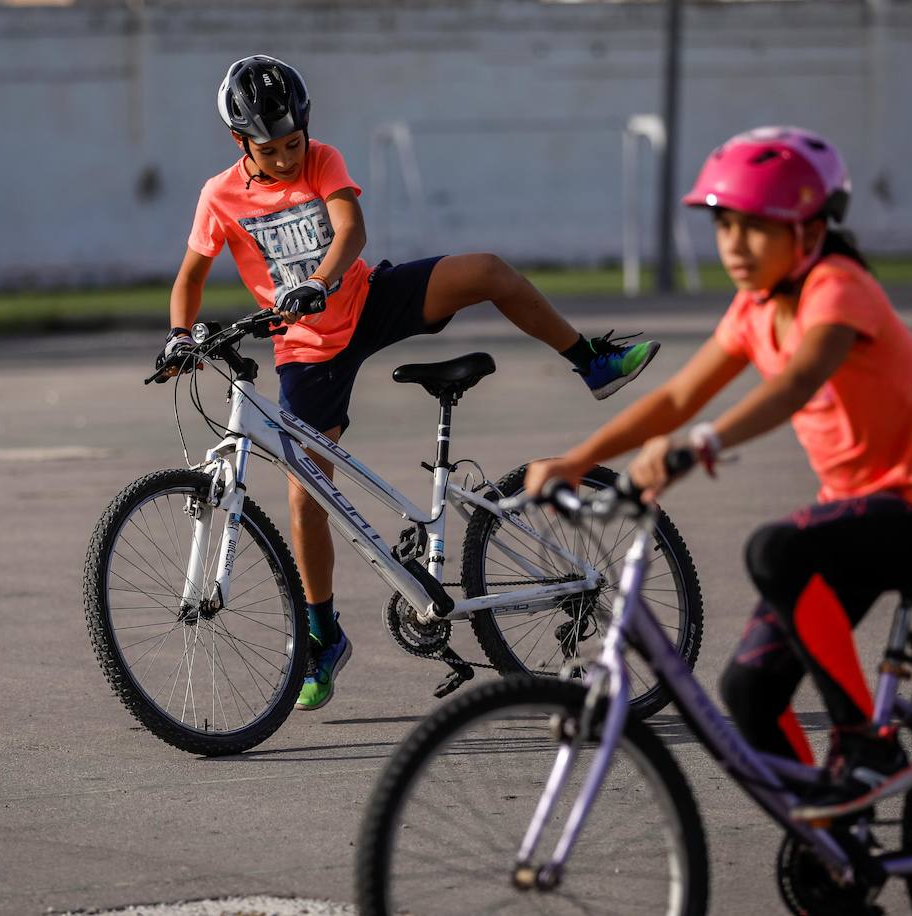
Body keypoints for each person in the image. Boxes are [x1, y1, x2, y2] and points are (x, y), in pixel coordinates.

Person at [157, 55, 661, 713]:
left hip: (367, 298)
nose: (285, 159)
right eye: (270, 150)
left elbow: (350, 227)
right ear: (239, 144)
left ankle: (590, 360)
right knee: (306, 494)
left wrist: (322, 280)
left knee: (487, 270)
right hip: (307, 349)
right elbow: (191, 277)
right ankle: (325, 634)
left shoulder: (322, 159)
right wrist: (178, 332)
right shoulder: (218, 196)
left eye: (291, 143)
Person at [525, 126, 912, 820]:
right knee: (749, 693)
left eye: (756, 229)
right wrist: (581, 459)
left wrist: (698, 445)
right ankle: (836, 841)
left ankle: (868, 747)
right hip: (855, 519)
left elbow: (800, 381)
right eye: (724, 226)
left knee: (775, 549)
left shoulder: (838, 288)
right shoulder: (756, 307)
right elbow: (677, 396)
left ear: (810, 228)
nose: (734, 245)